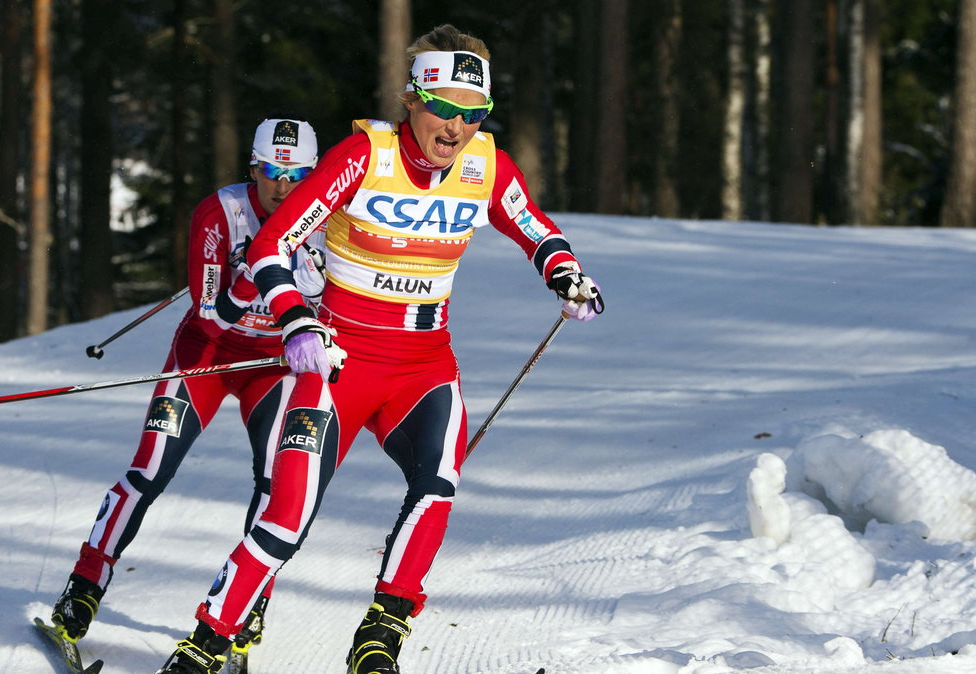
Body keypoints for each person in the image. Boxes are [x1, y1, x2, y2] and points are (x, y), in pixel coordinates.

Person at [152, 25, 603, 674]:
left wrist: (565, 273)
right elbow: (273, 245)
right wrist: (297, 324)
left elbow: (534, 228)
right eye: (444, 109)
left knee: (438, 482)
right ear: (413, 100)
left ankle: (381, 633)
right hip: (340, 364)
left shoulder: (484, 167)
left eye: (473, 115)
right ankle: (208, 640)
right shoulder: (363, 158)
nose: (456, 129)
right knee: (288, 514)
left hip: (423, 369)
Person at [48, 117, 328, 666]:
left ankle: (247, 606)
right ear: (253, 167)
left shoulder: (330, 219)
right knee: (149, 469)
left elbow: (340, 299)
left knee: (277, 482)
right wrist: (255, 275)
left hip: (274, 364)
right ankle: (84, 586)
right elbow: (210, 313)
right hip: (208, 355)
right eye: (272, 170)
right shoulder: (218, 214)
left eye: (296, 174)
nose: (282, 186)